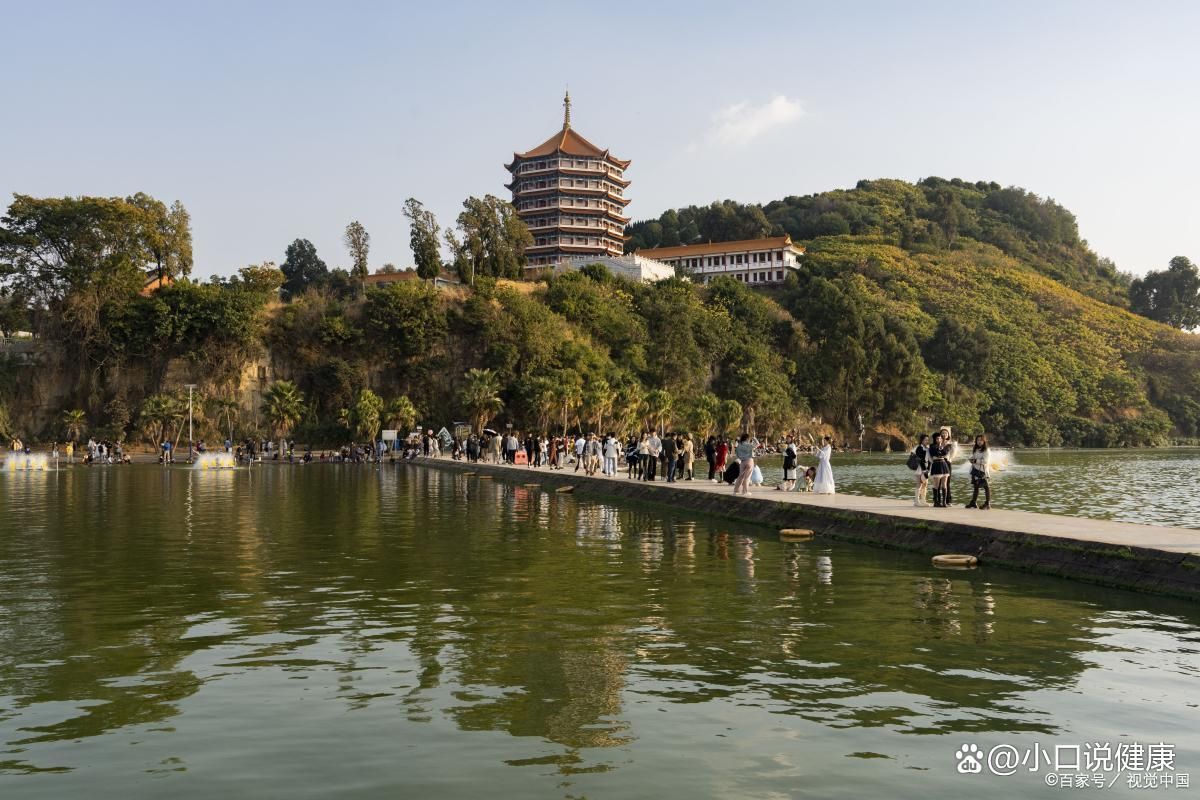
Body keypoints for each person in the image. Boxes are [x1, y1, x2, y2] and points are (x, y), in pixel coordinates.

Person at [967, 434, 992, 509]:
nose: (979, 442)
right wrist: (971, 459)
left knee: (986, 487)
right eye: (978, 440)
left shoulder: (986, 450)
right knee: (976, 487)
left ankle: (987, 504)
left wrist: (975, 460)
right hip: (975, 470)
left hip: (982, 471)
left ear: (984, 441)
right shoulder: (976, 449)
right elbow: (974, 457)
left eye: (981, 440)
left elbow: (985, 461)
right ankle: (973, 502)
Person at [928, 431, 952, 507]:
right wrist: (940, 452)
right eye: (937, 438)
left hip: (944, 465)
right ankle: (936, 502)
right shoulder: (932, 446)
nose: (939, 440)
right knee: (936, 484)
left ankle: (944, 502)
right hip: (936, 465)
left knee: (944, 484)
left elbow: (945, 453)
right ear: (935, 439)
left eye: (940, 438)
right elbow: (935, 454)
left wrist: (940, 452)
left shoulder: (945, 446)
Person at [910, 433, 931, 507]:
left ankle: (923, 500)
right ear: (922, 440)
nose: (927, 441)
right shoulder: (919, 448)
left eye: (928, 440)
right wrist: (924, 469)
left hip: (926, 468)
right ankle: (916, 501)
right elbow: (920, 460)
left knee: (925, 484)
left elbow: (929, 460)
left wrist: (928, 469)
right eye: (925, 440)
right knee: (919, 484)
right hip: (920, 468)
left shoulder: (928, 448)